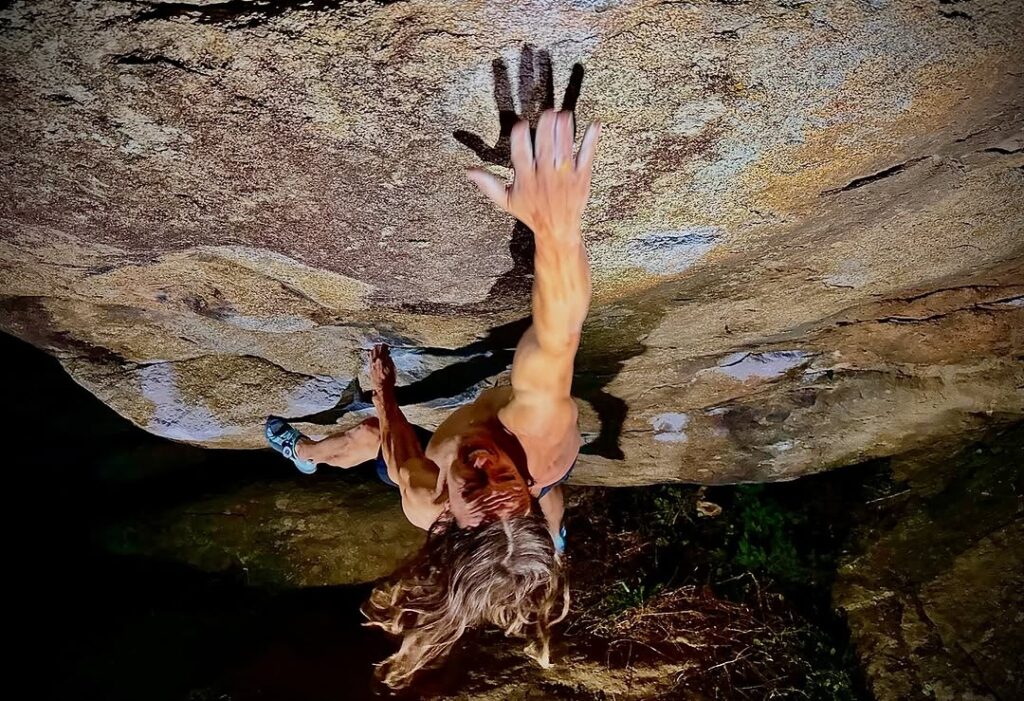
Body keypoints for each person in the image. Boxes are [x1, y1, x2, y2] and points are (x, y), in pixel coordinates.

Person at [265, 108, 600, 688]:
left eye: (474, 486)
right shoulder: (536, 428)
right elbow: (557, 334)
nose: (483, 464)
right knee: (552, 499)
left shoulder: (425, 501)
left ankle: (306, 454)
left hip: (419, 469)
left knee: (366, 438)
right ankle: (552, 533)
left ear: (448, 520)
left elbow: (396, 449)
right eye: (505, 481)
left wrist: (385, 393)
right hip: (545, 471)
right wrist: (556, 228)